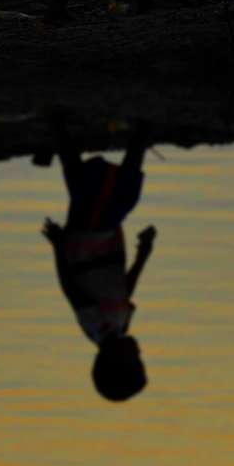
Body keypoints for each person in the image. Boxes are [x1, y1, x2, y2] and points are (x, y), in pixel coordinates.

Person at [41, 123, 156, 401]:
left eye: (136, 360)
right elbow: (125, 289)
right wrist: (144, 254)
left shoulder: (94, 326)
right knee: (99, 191)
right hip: (105, 238)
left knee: (105, 192)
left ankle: (59, 127)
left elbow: (69, 287)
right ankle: (138, 137)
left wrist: (57, 247)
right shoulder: (120, 326)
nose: (139, 352)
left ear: (115, 361)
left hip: (85, 241)